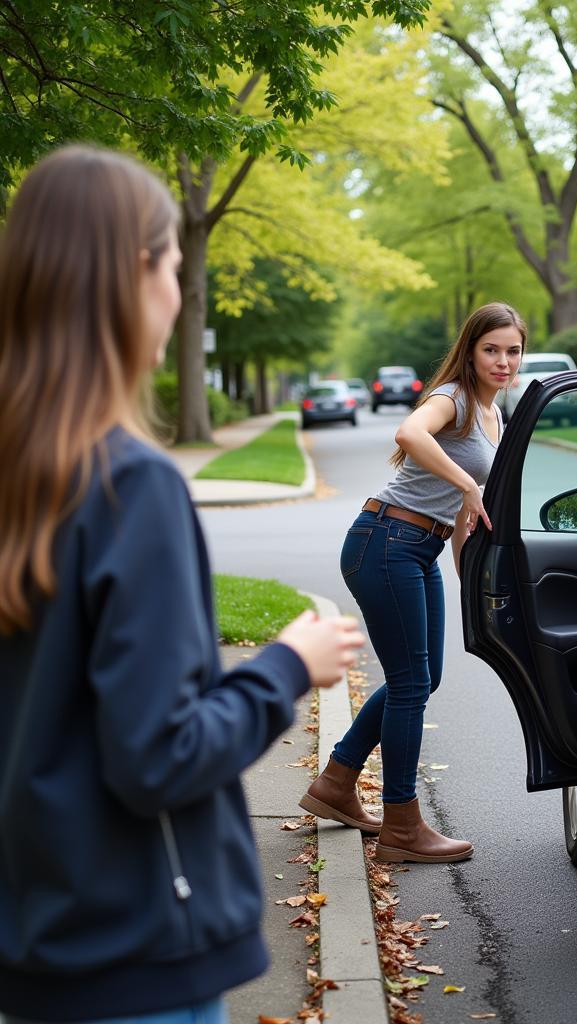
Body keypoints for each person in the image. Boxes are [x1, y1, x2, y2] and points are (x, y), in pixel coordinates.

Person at [0, 145, 365, 1024]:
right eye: (172, 263)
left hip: (35, 946)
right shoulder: (131, 488)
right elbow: (159, 756)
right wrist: (289, 665)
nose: (179, 291)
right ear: (137, 273)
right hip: (135, 957)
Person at [300, 302, 526, 864]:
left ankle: (336, 782)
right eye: (490, 349)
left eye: (512, 350)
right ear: (470, 352)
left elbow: (457, 514)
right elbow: (410, 432)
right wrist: (468, 488)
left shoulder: (494, 416)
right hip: (385, 542)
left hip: (417, 549)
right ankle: (402, 825)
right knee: (409, 684)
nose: (502, 361)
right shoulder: (451, 397)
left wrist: (466, 574)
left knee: (426, 677)